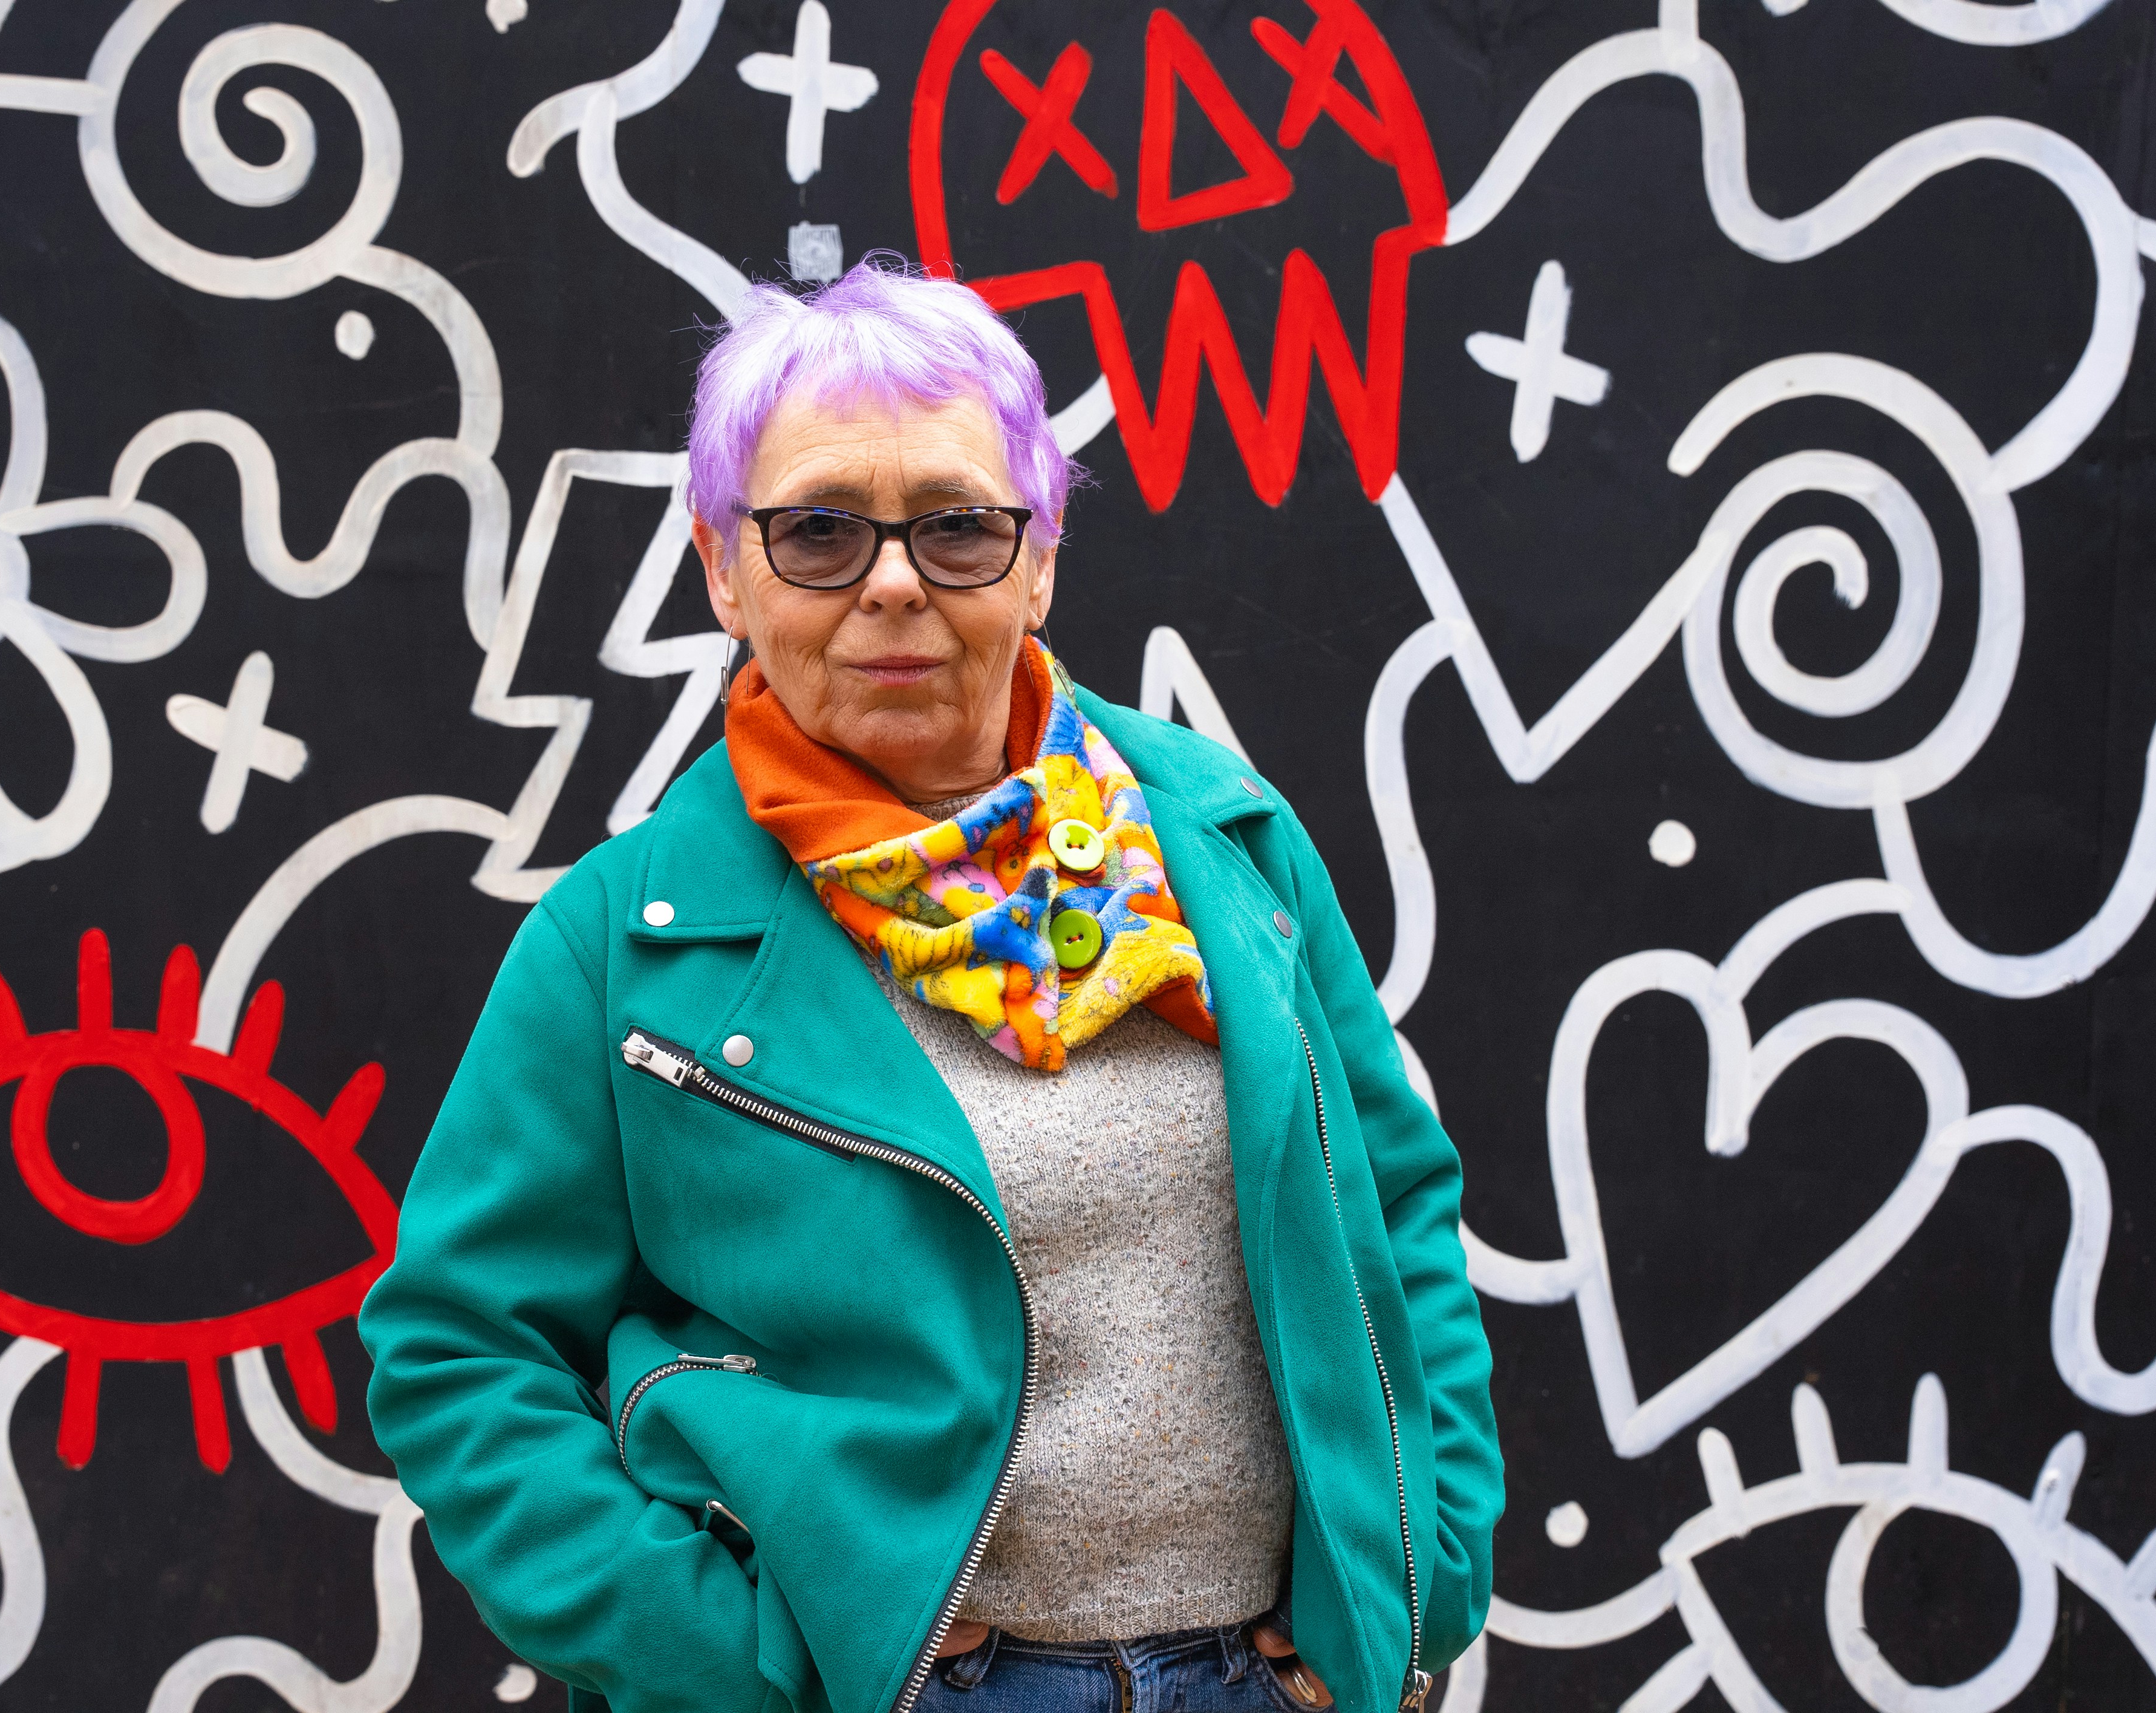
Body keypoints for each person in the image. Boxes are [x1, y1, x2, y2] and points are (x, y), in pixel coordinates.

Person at [359, 258, 1500, 1713]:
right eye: (817, 530)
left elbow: (1392, 1210)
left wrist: (1420, 1581)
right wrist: (734, 1665)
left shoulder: (1224, 839)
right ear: (722, 568)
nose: (892, 581)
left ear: (1038, 560)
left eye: (957, 526)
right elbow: (460, 1350)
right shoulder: (620, 939)